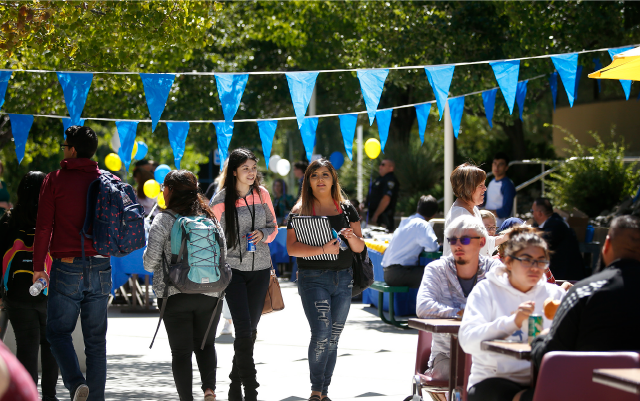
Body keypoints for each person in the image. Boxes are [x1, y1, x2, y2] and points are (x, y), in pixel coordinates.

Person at [33, 126, 112, 401]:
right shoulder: (106, 179)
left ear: (72, 150)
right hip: (102, 266)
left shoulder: (54, 180)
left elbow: (43, 228)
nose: (62, 149)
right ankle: (95, 398)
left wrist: (38, 267)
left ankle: (76, 383)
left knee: (56, 332)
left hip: (67, 267)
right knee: (96, 342)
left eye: (64, 145)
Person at [286, 158, 364, 401]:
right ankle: (316, 390)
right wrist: (322, 250)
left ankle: (324, 391)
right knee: (321, 332)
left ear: (333, 180)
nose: (320, 179)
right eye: (314, 175)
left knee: (333, 336)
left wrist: (351, 238)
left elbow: (360, 248)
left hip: (344, 278)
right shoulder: (299, 211)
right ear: (307, 181)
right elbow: (291, 248)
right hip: (312, 279)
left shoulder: (347, 209)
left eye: (325, 175)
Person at [144, 170, 224, 401]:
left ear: (169, 190)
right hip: (211, 292)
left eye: (164, 187)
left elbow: (150, 263)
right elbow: (222, 255)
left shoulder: (163, 219)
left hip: (174, 294)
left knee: (181, 353)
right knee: (206, 345)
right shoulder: (209, 217)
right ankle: (209, 390)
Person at [459, 228, 566, 401]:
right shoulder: (486, 291)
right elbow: (467, 341)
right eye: (526, 260)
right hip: (493, 381)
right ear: (508, 262)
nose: (535, 268)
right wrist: (512, 322)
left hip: (542, 379)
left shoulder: (555, 296)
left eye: (541, 261)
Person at [531, 215, 640, 372]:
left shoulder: (584, 292)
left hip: (588, 392)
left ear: (607, 244)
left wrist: (542, 336)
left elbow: (548, 356)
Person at [210, 148, 277, 401]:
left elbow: (274, 227)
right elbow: (211, 235)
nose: (251, 172)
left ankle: (234, 385)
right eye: (246, 168)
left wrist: (262, 233)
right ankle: (251, 391)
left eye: (254, 167)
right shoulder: (221, 199)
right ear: (235, 171)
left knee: (251, 330)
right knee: (243, 329)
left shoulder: (262, 194)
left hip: (260, 269)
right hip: (233, 271)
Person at [416, 215, 502, 381]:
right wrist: (460, 313)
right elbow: (423, 307)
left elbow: (506, 304)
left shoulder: (495, 269)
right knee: (463, 374)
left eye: (465, 240)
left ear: (482, 242)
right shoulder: (437, 269)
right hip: (446, 355)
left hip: (487, 355)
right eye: (452, 240)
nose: (458, 245)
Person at [0, 171, 59, 401]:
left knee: (26, 345)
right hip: (49, 290)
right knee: (51, 343)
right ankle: (50, 396)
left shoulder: (8, 220)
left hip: (16, 293)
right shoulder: (53, 218)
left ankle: (29, 395)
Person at [443, 163, 505, 257]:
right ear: (468, 188)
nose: (485, 189)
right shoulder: (460, 215)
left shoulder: (474, 209)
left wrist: (508, 236)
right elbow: (460, 256)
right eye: (481, 185)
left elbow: (483, 244)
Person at [381, 195, 439, 287]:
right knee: (439, 275)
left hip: (388, 273)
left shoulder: (406, 221)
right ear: (434, 214)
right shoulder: (422, 224)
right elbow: (432, 248)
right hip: (399, 273)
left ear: (418, 209)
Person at [531, 198, 585, 280]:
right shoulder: (551, 222)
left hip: (567, 276)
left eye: (532, 211)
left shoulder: (556, 225)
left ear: (539, 213)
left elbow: (539, 245)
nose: (532, 214)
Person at [483, 152, 516, 227]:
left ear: (506, 167)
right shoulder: (491, 182)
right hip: (487, 226)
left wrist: (483, 213)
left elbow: (506, 211)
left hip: (499, 227)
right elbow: (483, 201)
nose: (496, 167)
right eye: (495, 163)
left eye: (500, 164)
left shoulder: (508, 185)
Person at [367, 159, 400, 231]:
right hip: (373, 219)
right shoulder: (379, 179)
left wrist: (376, 215)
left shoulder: (390, 180)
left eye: (383, 164)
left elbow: (386, 199)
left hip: (383, 220)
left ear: (391, 168)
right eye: (380, 164)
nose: (380, 166)